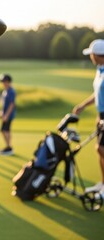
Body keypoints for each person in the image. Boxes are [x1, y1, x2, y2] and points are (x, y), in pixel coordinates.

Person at [73, 39, 104, 196]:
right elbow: (98, 94)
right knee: (99, 150)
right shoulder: (99, 70)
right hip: (101, 115)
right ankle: (103, 183)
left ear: (98, 55)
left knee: (101, 149)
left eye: (91, 54)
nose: (90, 57)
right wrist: (83, 105)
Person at [0, 74, 16, 155]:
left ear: (8, 82)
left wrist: (6, 115)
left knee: (5, 130)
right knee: (4, 130)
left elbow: (11, 104)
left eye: (4, 81)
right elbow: (3, 103)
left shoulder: (11, 91)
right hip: (5, 114)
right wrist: (1, 111)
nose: (3, 83)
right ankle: (8, 147)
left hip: (9, 115)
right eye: (3, 82)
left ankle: (9, 147)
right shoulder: (5, 91)